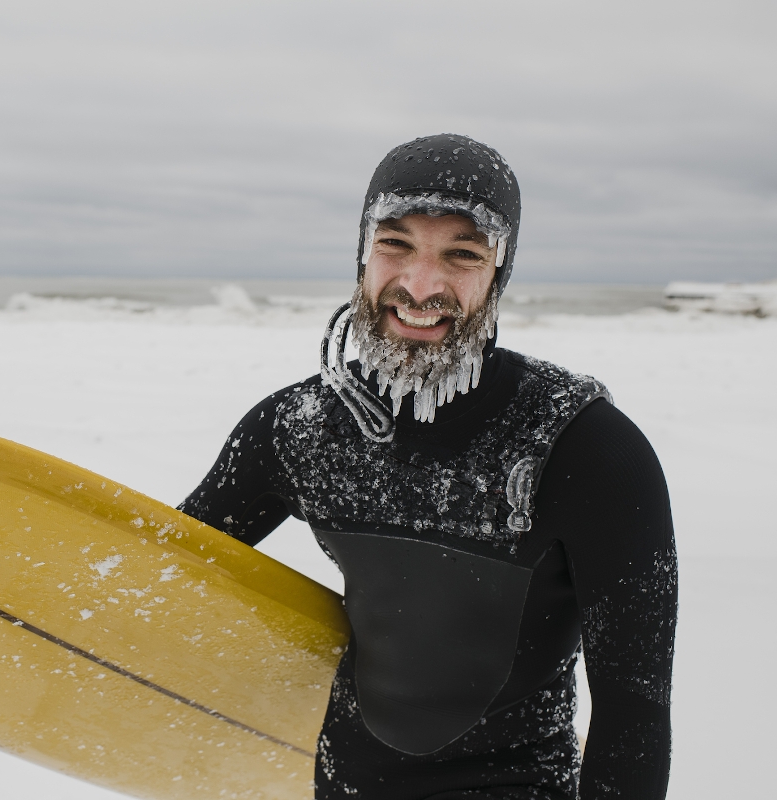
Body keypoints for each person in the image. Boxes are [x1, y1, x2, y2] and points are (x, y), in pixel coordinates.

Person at [178, 133, 677, 799]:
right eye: (396, 244)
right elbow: (165, 578)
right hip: (344, 785)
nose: (420, 287)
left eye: (462, 254)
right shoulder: (300, 427)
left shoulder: (583, 447)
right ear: (362, 252)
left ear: (500, 270)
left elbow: (634, 707)